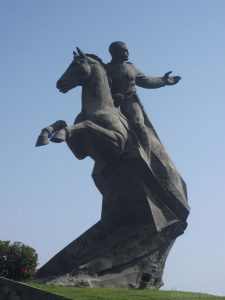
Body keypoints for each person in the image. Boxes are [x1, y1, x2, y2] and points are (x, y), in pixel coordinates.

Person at [106, 41, 181, 160]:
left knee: (139, 126)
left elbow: (146, 81)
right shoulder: (106, 69)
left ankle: (145, 158)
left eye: (127, 50)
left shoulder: (131, 67)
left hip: (130, 102)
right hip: (113, 103)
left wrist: (164, 80)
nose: (128, 52)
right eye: (124, 50)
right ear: (115, 52)